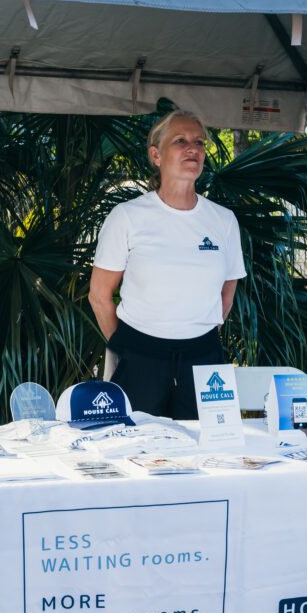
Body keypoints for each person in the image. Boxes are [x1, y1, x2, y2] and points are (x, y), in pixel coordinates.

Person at [89, 109, 246, 420]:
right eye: (180, 141)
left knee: (206, 456)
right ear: (155, 155)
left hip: (204, 359)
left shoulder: (223, 221)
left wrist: (196, 332)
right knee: (136, 453)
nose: (193, 149)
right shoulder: (127, 216)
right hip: (139, 357)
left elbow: (227, 292)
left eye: (199, 142)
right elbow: (99, 295)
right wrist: (128, 350)